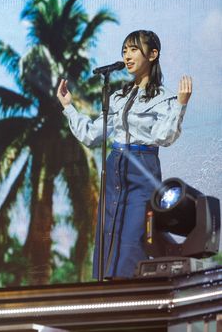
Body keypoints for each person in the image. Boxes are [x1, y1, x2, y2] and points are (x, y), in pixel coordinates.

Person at [56, 30, 192, 278]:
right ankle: (107, 292)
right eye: (124, 51)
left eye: (133, 49)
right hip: (114, 168)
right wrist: (68, 107)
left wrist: (180, 105)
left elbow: (164, 136)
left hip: (142, 169)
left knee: (132, 238)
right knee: (109, 236)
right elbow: (91, 135)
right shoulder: (117, 97)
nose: (127, 56)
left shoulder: (164, 98)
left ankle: (134, 290)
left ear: (153, 54)